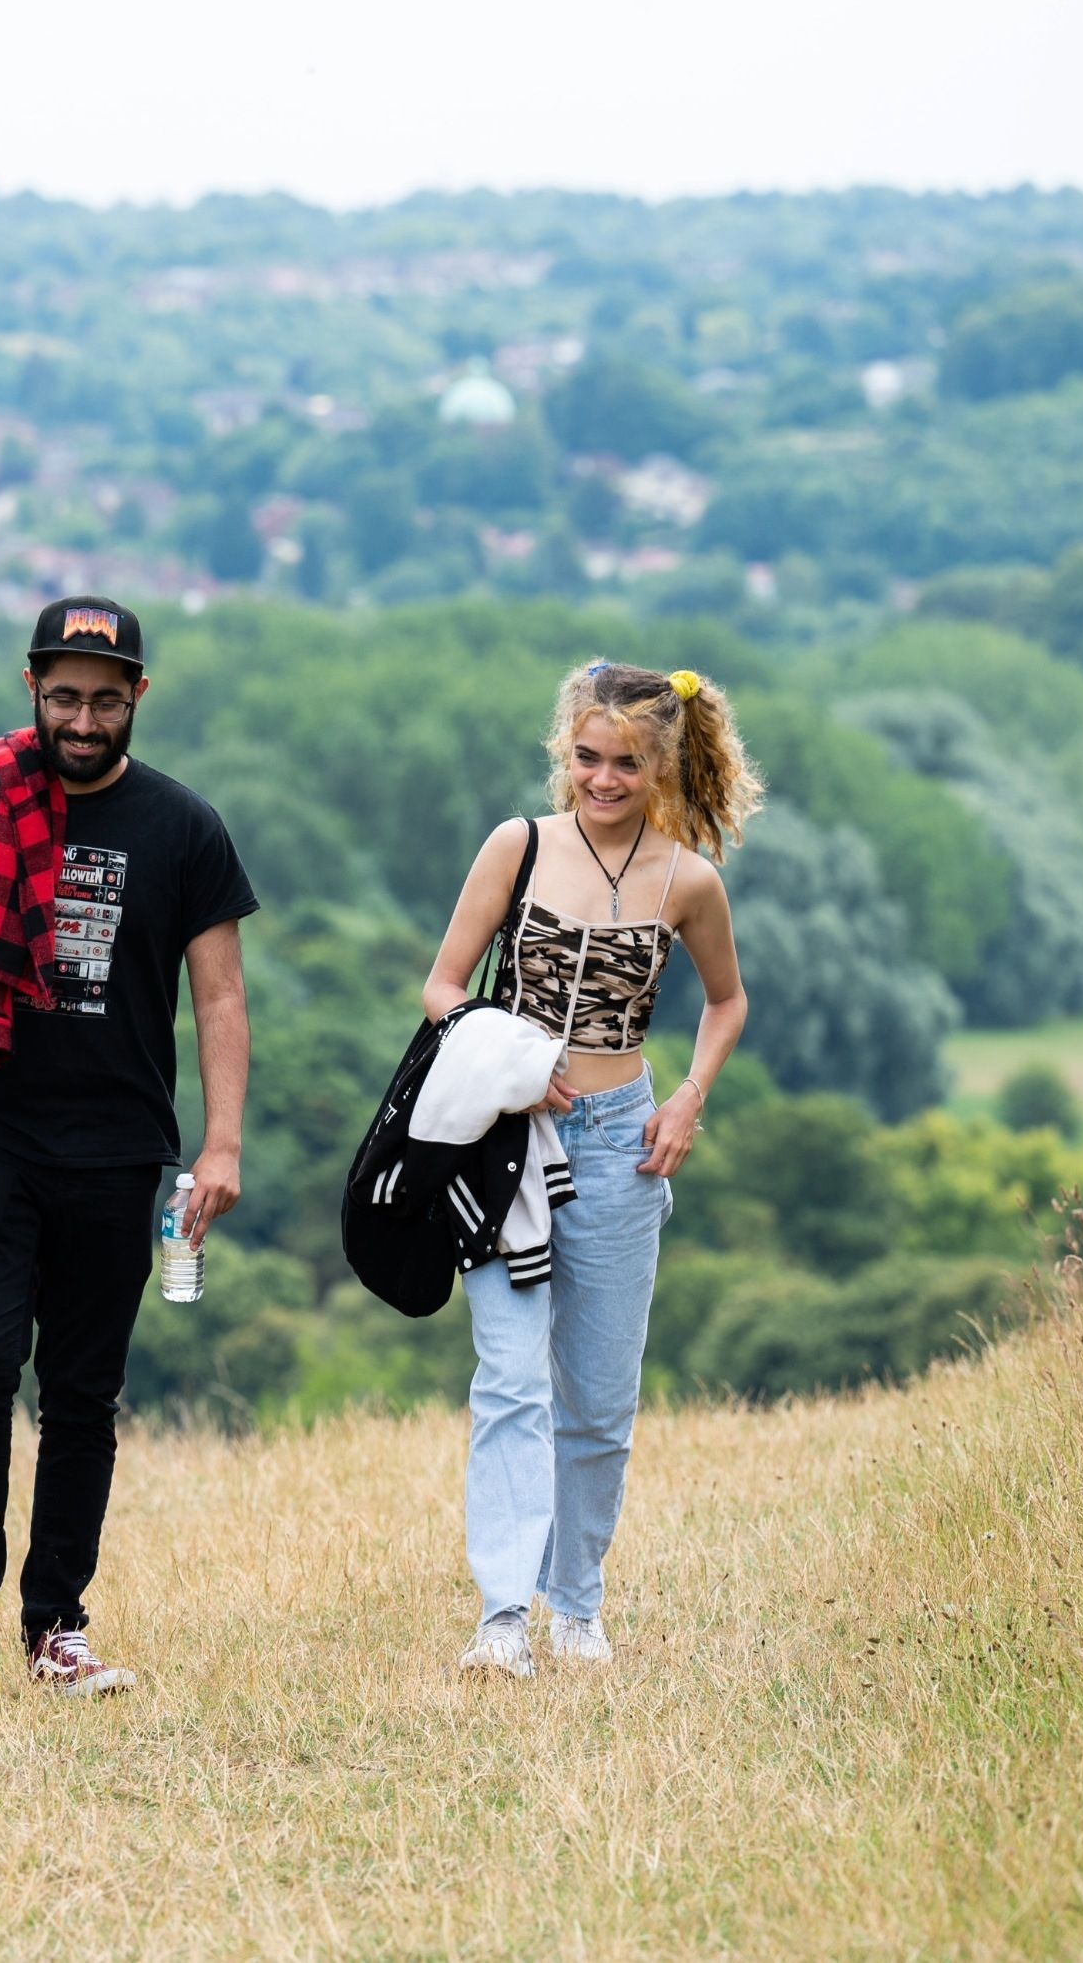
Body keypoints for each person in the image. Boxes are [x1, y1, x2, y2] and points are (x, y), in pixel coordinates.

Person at [0, 596, 255, 1709]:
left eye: (104, 700)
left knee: (82, 1391)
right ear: (31, 687)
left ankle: (56, 1620)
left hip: (119, 1146)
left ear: (138, 702)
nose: (81, 719)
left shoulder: (185, 827)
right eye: (63, 696)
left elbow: (219, 993)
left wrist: (221, 1143)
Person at [418, 658, 758, 1677]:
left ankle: (577, 1604)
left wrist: (689, 1096)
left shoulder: (686, 879)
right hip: (506, 1138)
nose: (601, 781)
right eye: (585, 758)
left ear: (663, 765)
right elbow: (441, 988)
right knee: (511, 1382)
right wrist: (517, 1063)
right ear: (564, 751)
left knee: (600, 1399)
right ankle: (502, 1620)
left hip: (621, 1140)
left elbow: (728, 1002)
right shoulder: (517, 847)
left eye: (625, 764)